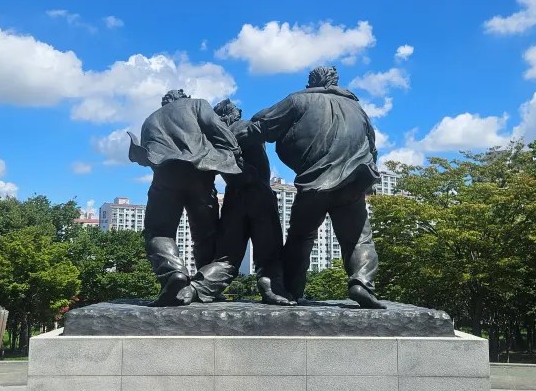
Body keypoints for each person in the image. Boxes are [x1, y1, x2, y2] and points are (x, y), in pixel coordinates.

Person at [248, 66, 385, 309]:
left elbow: (261, 125)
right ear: (335, 82)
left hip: (315, 182)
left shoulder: (297, 100)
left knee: (301, 237)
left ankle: (291, 290)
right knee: (359, 239)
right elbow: (372, 147)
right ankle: (362, 283)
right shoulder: (357, 108)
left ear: (311, 82)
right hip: (353, 182)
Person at [128, 89, 242, 306]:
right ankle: (204, 286)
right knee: (206, 233)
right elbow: (219, 131)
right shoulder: (197, 104)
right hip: (200, 174)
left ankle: (173, 273)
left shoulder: (149, 120)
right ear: (184, 98)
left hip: (165, 176)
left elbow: (147, 155)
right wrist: (232, 153)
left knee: (158, 232)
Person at [212, 99, 295, 306]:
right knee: (269, 252)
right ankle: (272, 288)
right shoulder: (241, 127)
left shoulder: (214, 138)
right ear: (232, 114)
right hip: (258, 193)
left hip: (233, 196)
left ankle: (200, 287)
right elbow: (267, 126)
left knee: (226, 257)